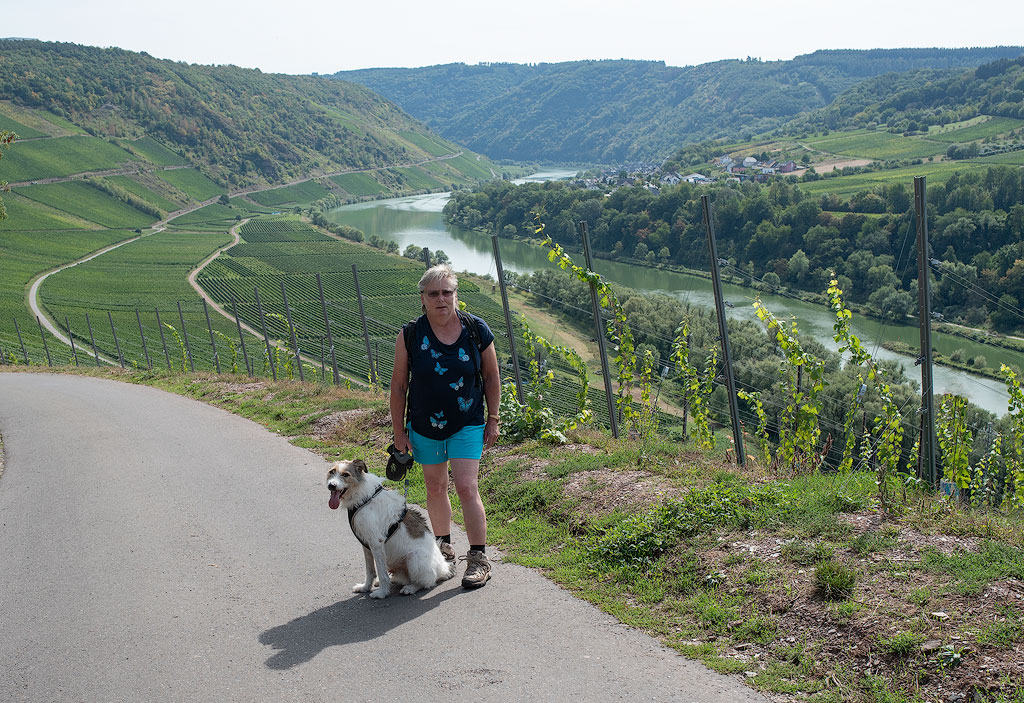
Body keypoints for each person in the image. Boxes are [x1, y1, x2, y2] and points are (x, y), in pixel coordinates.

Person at [390, 264, 501, 588]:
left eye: (447, 292)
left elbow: (491, 376)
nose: (441, 299)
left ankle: (478, 558)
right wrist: (399, 432)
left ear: (456, 295)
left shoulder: (475, 330)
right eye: (433, 293)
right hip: (424, 424)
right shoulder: (410, 334)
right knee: (435, 487)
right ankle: (443, 548)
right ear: (422, 298)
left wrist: (493, 419)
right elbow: (398, 386)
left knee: (467, 487)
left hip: (467, 421)